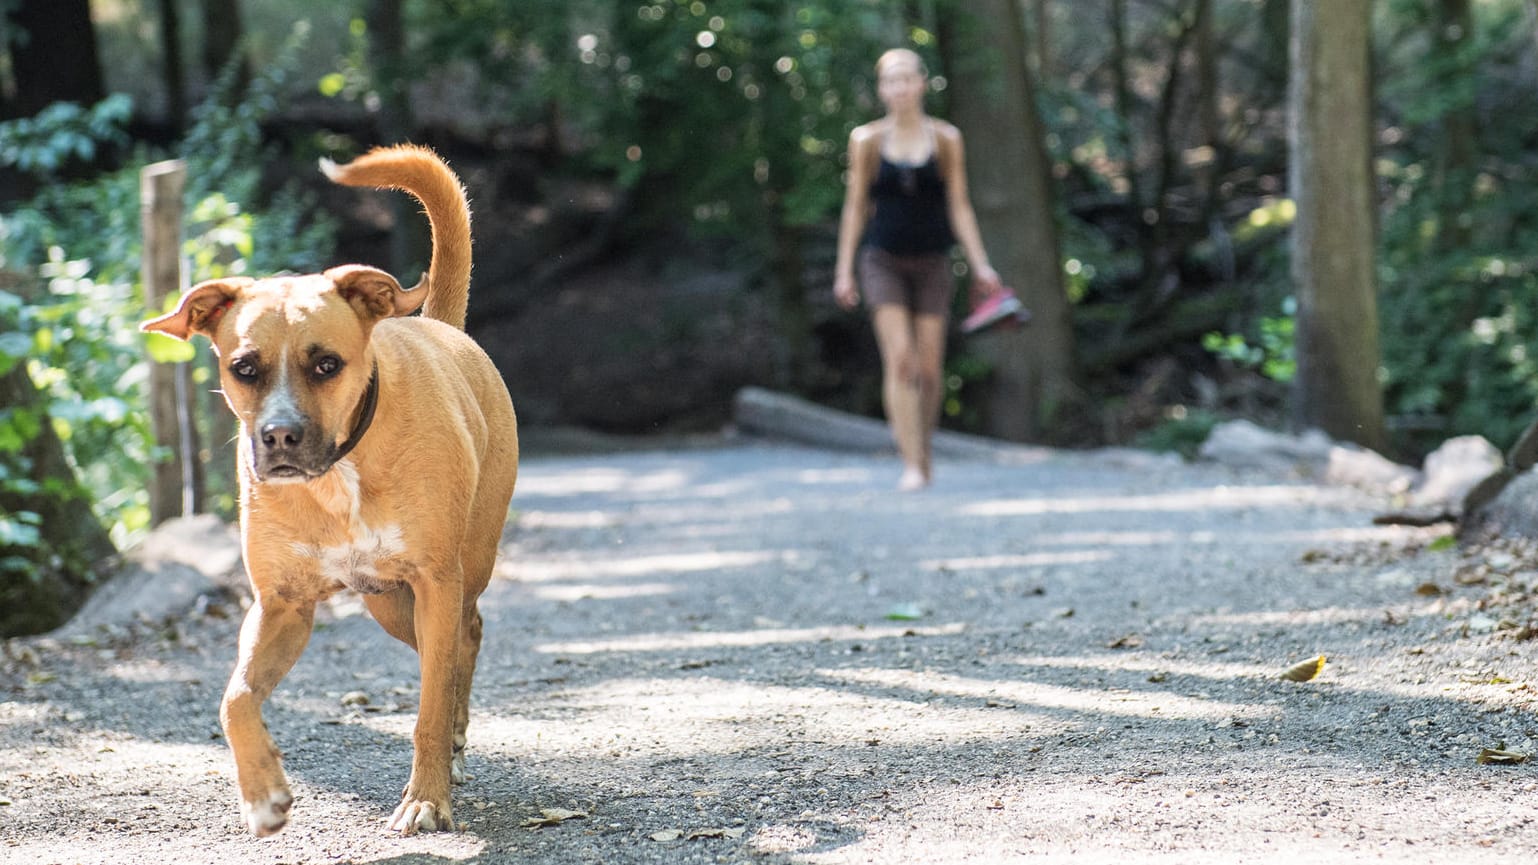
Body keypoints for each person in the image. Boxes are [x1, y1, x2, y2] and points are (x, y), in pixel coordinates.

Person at [833, 47, 1004, 492]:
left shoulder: (946, 138)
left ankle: (922, 449)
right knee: (902, 359)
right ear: (881, 89)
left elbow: (959, 205)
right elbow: (855, 209)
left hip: (932, 261)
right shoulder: (866, 141)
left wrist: (982, 264)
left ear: (922, 84)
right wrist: (843, 271)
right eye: (890, 80)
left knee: (930, 370)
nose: (899, 88)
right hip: (881, 260)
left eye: (906, 78)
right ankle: (910, 463)